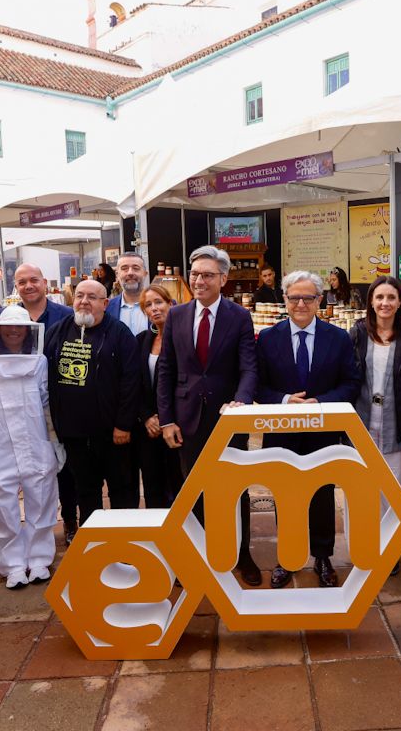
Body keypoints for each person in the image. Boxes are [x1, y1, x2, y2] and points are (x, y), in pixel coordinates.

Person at [157, 245, 261, 586]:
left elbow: (249, 367)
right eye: (195, 274)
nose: (199, 281)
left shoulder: (239, 316)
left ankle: (242, 553)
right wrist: (167, 419)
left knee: (236, 488)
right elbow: (166, 370)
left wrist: (241, 402)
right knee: (193, 489)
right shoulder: (176, 315)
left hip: (227, 418)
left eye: (207, 275)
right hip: (186, 419)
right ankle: (198, 555)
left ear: (223, 279)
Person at [256, 271, 361, 588]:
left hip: (322, 432)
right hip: (281, 433)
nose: (300, 304)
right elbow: (257, 385)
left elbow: (351, 383)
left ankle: (323, 556)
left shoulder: (338, 338)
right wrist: (284, 399)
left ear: (319, 300)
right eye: (294, 298)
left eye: (308, 298)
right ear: (285, 300)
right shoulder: (268, 338)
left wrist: (321, 402)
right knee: (284, 494)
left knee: (322, 494)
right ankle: (287, 558)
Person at [0, 305, 64, 588]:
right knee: (1, 508)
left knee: (42, 503)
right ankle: (13, 565)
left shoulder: (40, 363)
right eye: (9, 327)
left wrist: (55, 441)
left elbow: (47, 406)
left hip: (36, 446)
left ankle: (40, 559)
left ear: (30, 331)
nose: (15, 331)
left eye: (21, 327)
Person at [44, 279, 140, 533]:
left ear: (105, 303)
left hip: (113, 434)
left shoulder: (120, 333)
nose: (84, 302)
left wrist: (123, 424)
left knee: (122, 491)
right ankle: (92, 544)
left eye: (92, 297)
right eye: (79, 296)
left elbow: (132, 381)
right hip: (74, 434)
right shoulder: (58, 331)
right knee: (85, 492)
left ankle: (124, 542)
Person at [349, 275, 401, 576]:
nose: (385, 303)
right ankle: (362, 547)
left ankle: (388, 551)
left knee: (392, 492)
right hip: (362, 423)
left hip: (397, 424)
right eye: (379, 297)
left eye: (391, 297)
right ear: (370, 301)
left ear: (400, 302)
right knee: (361, 490)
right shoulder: (357, 333)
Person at [132, 283, 184, 509]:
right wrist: (146, 416)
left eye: (159, 302)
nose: (154, 308)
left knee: (180, 484)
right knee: (153, 486)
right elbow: (133, 383)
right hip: (149, 428)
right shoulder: (141, 340)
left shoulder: (184, 339)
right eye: (148, 305)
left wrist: (167, 418)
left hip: (177, 424)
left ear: (171, 304)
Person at [14, 264, 73, 333]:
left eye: (34, 280)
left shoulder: (67, 315)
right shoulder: (7, 318)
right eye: (22, 282)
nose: (29, 286)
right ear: (16, 288)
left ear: (44, 283)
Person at [106, 251, 150, 336]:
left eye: (136, 268)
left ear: (145, 274)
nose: (130, 273)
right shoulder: (106, 308)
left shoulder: (166, 307)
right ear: (117, 275)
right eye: (124, 268)